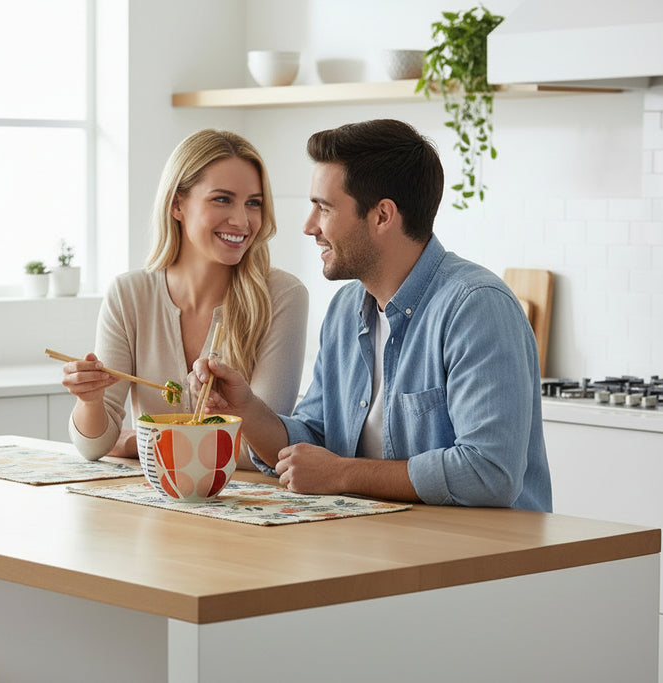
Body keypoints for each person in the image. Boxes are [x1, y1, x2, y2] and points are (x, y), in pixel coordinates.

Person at [190, 119, 552, 511]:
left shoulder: (475, 307)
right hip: (381, 537)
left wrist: (343, 474)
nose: (309, 227)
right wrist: (245, 408)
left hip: (481, 547)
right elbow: (314, 442)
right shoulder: (346, 310)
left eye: (324, 208)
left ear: (382, 216)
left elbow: (488, 473)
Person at [61, 129, 309, 468]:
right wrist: (90, 401)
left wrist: (137, 441)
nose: (242, 221)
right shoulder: (129, 294)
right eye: (222, 199)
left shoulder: (283, 296)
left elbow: (264, 452)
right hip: (155, 497)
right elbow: (94, 446)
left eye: (254, 203)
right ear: (177, 204)